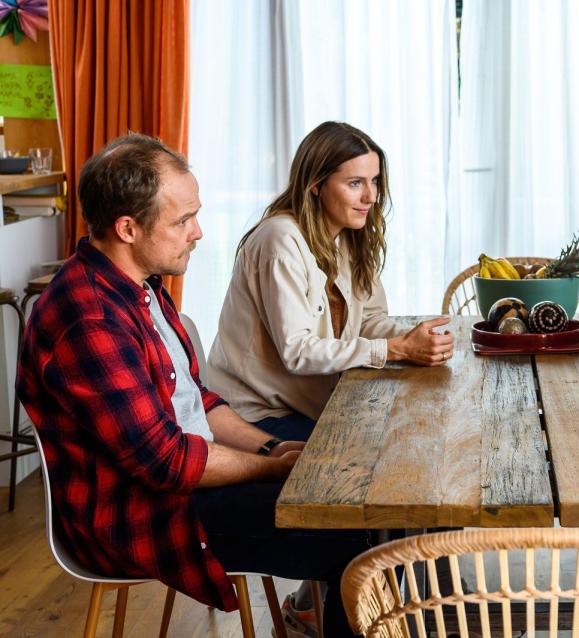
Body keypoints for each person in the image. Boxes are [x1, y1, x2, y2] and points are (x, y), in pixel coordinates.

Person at [16, 133, 370, 636]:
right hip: (146, 517)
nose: (198, 232)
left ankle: (320, 618)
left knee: (354, 493)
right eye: (183, 220)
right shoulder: (89, 318)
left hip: (182, 486)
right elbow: (167, 461)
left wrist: (273, 445)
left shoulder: (142, 287)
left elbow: (198, 401)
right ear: (127, 228)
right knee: (353, 528)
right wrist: (270, 469)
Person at [208, 121, 454, 442]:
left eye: (375, 181)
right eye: (355, 183)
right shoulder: (280, 240)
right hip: (256, 415)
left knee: (411, 430)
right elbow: (297, 351)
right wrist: (393, 350)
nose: (370, 196)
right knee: (372, 452)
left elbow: (367, 321)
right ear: (315, 184)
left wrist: (416, 340)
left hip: (308, 404)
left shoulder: (347, 235)